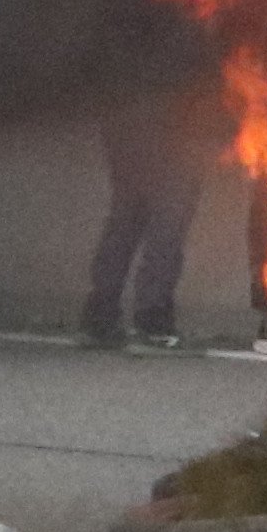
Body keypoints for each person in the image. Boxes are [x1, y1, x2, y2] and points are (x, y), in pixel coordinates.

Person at [81, 44, 232, 350]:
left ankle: (100, 313)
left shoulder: (123, 16)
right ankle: (152, 319)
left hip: (124, 116)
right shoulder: (180, 16)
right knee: (168, 220)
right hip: (174, 122)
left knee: (127, 215)